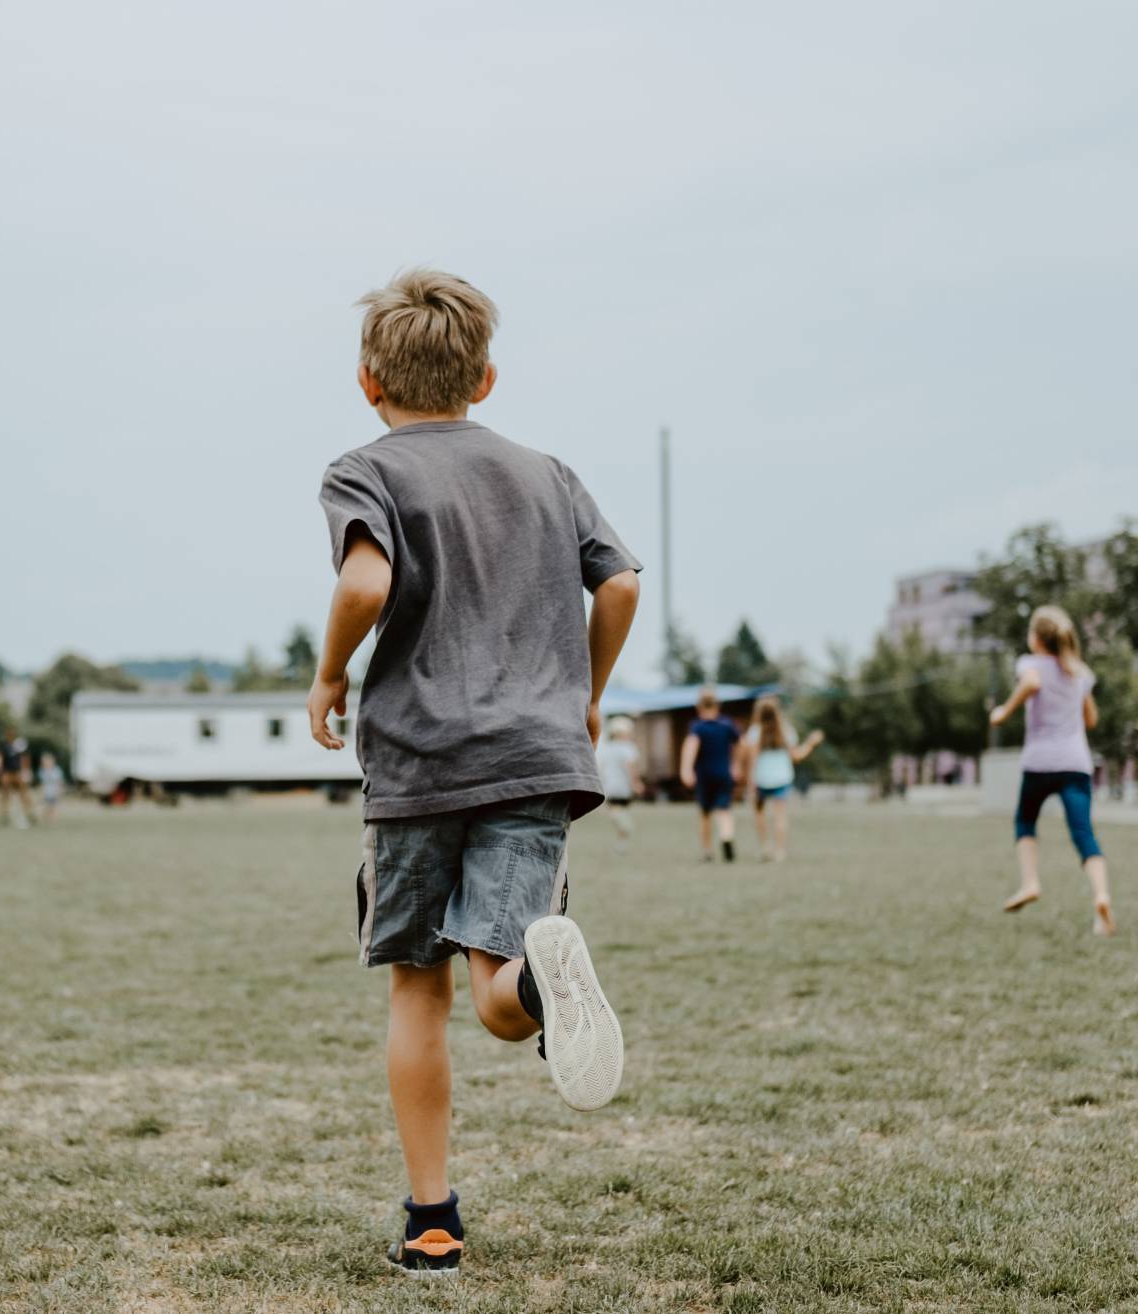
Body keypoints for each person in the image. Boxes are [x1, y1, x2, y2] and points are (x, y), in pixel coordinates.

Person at [308, 268, 640, 1277]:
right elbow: (619, 581)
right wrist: (586, 689)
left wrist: (329, 675)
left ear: (369, 381)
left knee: (419, 993)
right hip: (537, 757)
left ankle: (433, 1222)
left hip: (419, 765)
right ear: (485, 379)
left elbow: (367, 579)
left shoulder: (366, 471)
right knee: (496, 982)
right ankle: (535, 982)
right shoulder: (548, 473)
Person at [989, 604, 1115, 935]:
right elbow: (1091, 720)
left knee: (1025, 821)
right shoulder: (1080, 673)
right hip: (1075, 763)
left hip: (1039, 762)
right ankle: (1101, 897)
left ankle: (1030, 882)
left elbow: (1030, 683)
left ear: (1036, 639)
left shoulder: (1030, 664)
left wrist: (1004, 711)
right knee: (1084, 835)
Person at [737, 696, 823, 861]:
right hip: (782, 779)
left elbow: (752, 758)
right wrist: (811, 743)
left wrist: (750, 781)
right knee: (780, 816)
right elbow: (797, 756)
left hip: (760, 779)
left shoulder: (755, 732)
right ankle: (780, 851)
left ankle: (764, 848)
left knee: (759, 814)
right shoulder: (786, 730)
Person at [678, 689, 741, 862]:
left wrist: (686, 770)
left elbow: (691, 747)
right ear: (717, 706)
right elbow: (739, 745)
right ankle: (726, 836)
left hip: (704, 774)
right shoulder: (727, 725)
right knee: (724, 810)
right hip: (723, 772)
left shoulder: (698, 727)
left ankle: (707, 851)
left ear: (699, 707)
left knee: (705, 813)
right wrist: (736, 765)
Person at [595, 717, 642, 851]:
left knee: (616, 811)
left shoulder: (607, 748)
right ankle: (624, 830)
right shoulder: (628, 747)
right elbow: (631, 767)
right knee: (622, 811)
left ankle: (622, 843)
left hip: (610, 786)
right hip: (624, 786)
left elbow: (602, 767)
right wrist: (636, 782)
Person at [0, 728, 36, 828]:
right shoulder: (4, 745)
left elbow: (25, 757)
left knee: (24, 794)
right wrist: (1, 773)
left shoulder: (19, 744)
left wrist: (26, 771)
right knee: (5, 796)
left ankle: (29, 813)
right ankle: (4, 815)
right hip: (7, 772)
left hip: (18, 772)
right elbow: (1, 759)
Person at [36, 751, 64, 823]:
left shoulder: (57, 770)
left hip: (54, 791)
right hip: (46, 792)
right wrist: (40, 793)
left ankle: (52, 821)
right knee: (44, 807)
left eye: (48, 761)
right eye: (44, 761)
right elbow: (41, 784)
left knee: (53, 807)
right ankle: (42, 819)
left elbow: (59, 782)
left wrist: (59, 792)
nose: (46, 763)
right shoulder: (42, 771)